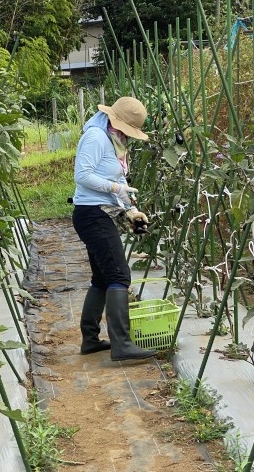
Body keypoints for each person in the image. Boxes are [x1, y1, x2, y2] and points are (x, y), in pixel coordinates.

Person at [72, 96, 157, 362]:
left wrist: (132, 210)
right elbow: (82, 176)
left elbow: (117, 178)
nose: (128, 136)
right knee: (119, 275)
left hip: (102, 211)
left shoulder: (113, 141)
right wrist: (114, 188)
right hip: (92, 214)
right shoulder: (96, 137)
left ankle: (90, 339)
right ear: (116, 121)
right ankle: (122, 344)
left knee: (102, 277)